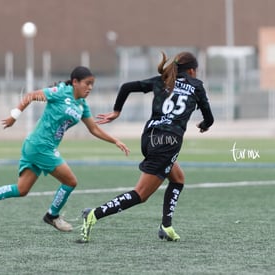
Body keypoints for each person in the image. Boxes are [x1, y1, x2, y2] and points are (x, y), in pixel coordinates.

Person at [0, 66, 130, 232]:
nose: (90, 87)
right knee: (70, 181)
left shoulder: (82, 105)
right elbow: (30, 96)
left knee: (22, 189)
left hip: (37, 146)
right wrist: (14, 116)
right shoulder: (60, 92)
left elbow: (93, 129)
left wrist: (114, 140)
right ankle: (52, 216)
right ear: (75, 82)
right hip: (40, 146)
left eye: (92, 84)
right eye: (87, 83)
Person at [78, 51, 214, 243]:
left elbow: (126, 87)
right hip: (168, 143)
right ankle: (94, 214)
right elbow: (209, 118)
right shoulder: (196, 86)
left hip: (149, 138)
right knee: (141, 194)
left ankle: (166, 226)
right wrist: (204, 125)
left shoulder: (162, 80)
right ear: (192, 70)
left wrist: (116, 111)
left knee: (178, 179)